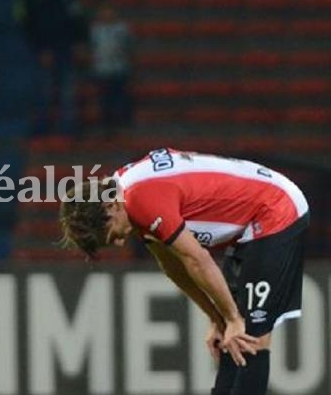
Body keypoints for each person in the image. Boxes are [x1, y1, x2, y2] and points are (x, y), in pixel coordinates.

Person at [59, 148, 309, 395]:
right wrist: (217, 317)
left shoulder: (140, 198)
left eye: (112, 235)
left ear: (110, 206)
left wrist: (232, 318)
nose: (120, 243)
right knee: (229, 337)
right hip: (249, 225)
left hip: (276, 210)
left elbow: (197, 259)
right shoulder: (127, 197)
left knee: (250, 336)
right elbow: (174, 267)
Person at [13, 0, 88, 136]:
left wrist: (80, 41)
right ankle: (42, 125)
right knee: (43, 88)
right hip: (41, 49)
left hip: (66, 46)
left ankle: (68, 126)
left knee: (67, 89)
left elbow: (77, 14)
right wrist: (39, 48)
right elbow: (25, 21)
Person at [90, 1, 134, 133]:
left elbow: (128, 47)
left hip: (119, 68)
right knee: (105, 99)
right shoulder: (95, 30)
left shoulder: (122, 29)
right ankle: (108, 126)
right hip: (102, 69)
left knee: (120, 96)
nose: (106, 14)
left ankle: (123, 123)